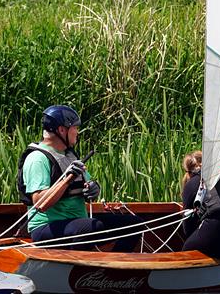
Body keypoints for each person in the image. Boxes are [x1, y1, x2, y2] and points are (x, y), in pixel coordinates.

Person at [16, 105, 142, 252]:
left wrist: (94, 188)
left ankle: (114, 269)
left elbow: (86, 183)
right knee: (88, 228)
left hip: (75, 223)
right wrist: (67, 180)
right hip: (46, 228)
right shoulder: (37, 159)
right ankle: (76, 269)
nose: (77, 132)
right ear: (62, 130)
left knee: (134, 224)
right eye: (75, 127)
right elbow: (40, 204)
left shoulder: (69, 155)